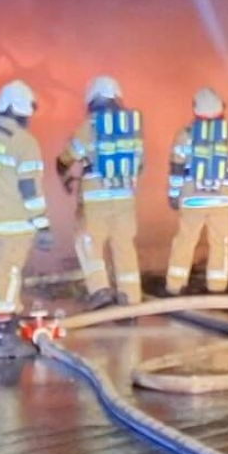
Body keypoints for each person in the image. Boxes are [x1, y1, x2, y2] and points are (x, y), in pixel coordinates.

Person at [0, 80, 51, 358]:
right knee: (10, 274)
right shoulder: (24, 142)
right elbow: (30, 189)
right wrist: (42, 224)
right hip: (16, 223)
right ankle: (4, 336)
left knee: (0, 272)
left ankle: (3, 318)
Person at [56, 75, 143, 309]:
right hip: (125, 198)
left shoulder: (90, 126)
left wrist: (62, 166)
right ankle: (131, 298)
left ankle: (99, 289)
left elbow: (69, 155)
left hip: (96, 200)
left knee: (88, 241)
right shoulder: (131, 128)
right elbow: (140, 163)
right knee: (124, 246)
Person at [164, 87, 228, 295]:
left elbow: (176, 169)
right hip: (222, 200)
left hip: (192, 199)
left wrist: (174, 195)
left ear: (195, 109)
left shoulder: (185, 135)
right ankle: (217, 286)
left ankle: (175, 285)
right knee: (220, 243)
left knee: (185, 240)